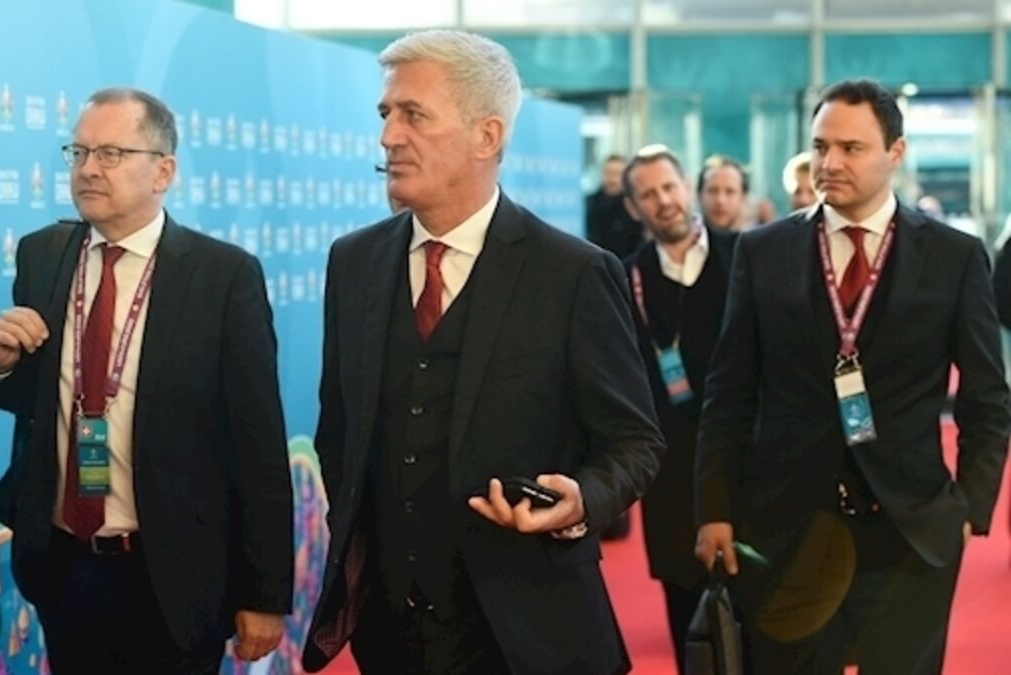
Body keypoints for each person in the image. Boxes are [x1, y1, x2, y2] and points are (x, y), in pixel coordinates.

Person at [302, 30, 665, 675]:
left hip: (530, 633)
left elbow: (635, 442)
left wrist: (581, 500)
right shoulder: (353, 262)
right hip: (390, 632)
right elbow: (341, 431)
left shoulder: (573, 273)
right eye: (385, 114)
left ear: (486, 136)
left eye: (413, 115)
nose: (388, 137)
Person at [694, 79, 1010, 674]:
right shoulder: (763, 252)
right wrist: (715, 506)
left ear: (896, 153)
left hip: (913, 529)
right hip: (788, 524)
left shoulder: (955, 256)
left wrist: (969, 507)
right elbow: (729, 392)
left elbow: (987, 397)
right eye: (820, 146)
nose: (829, 163)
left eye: (851, 148)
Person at [0, 87, 294, 674]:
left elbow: (258, 448)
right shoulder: (42, 255)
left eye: (111, 154)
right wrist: (1, 362)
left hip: (171, 574)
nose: (88, 169)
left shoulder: (222, 276)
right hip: (64, 565)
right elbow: (29, 401)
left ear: (163, 172)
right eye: (78, 152)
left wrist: (265, 594)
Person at [621, 147, 738, 672]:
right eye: (648, 194)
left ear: (687, 186)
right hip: (669, 478)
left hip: (746, 467)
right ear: (633, 207)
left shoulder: (745, 257)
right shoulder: (624, 278)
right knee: (691, 633)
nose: (663, 201)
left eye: (669, 187)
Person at [585, 153, 645, 258]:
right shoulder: (589, 203)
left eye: (617, 174)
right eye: (608, 173)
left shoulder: (634, 206)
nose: (612, 179)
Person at [697, 155, 750, 232]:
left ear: (743, 198)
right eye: (713, 191)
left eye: (730, 192)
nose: (720, 201)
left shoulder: (759, 239)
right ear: (699, 195)